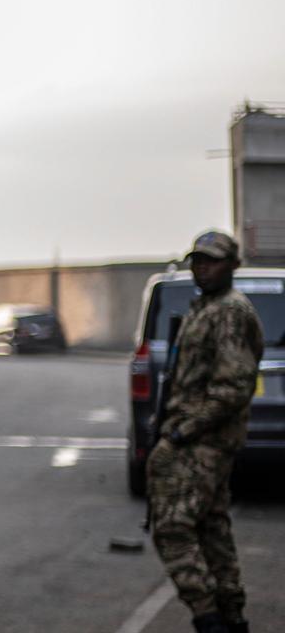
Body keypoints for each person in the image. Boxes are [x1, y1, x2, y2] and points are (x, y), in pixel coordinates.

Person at [149, 230, 264, 633]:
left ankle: (208, 615)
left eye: (211, 260)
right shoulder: (206, 307)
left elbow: (232, 388)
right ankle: (231, 617)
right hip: (201, 436)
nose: (201, 267)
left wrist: (182, 432)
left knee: (172, 525)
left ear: (233, 265)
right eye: (197, 260)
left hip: (204, 440)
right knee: (211, 528)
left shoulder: (229, 311)